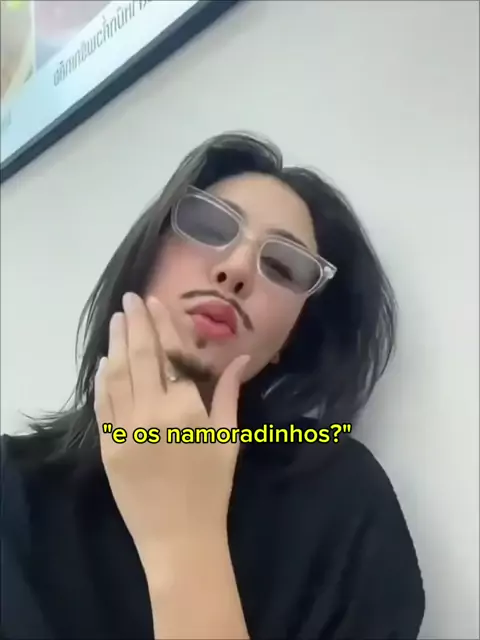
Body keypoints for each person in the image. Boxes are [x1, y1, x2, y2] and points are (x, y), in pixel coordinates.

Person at [1, 132, 425, 640]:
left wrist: (184, 538)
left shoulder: (344, 498)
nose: (237, 269)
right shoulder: (12, 491)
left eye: (283, 266)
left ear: (292, 334)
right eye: (208, 226)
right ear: (146, 257)